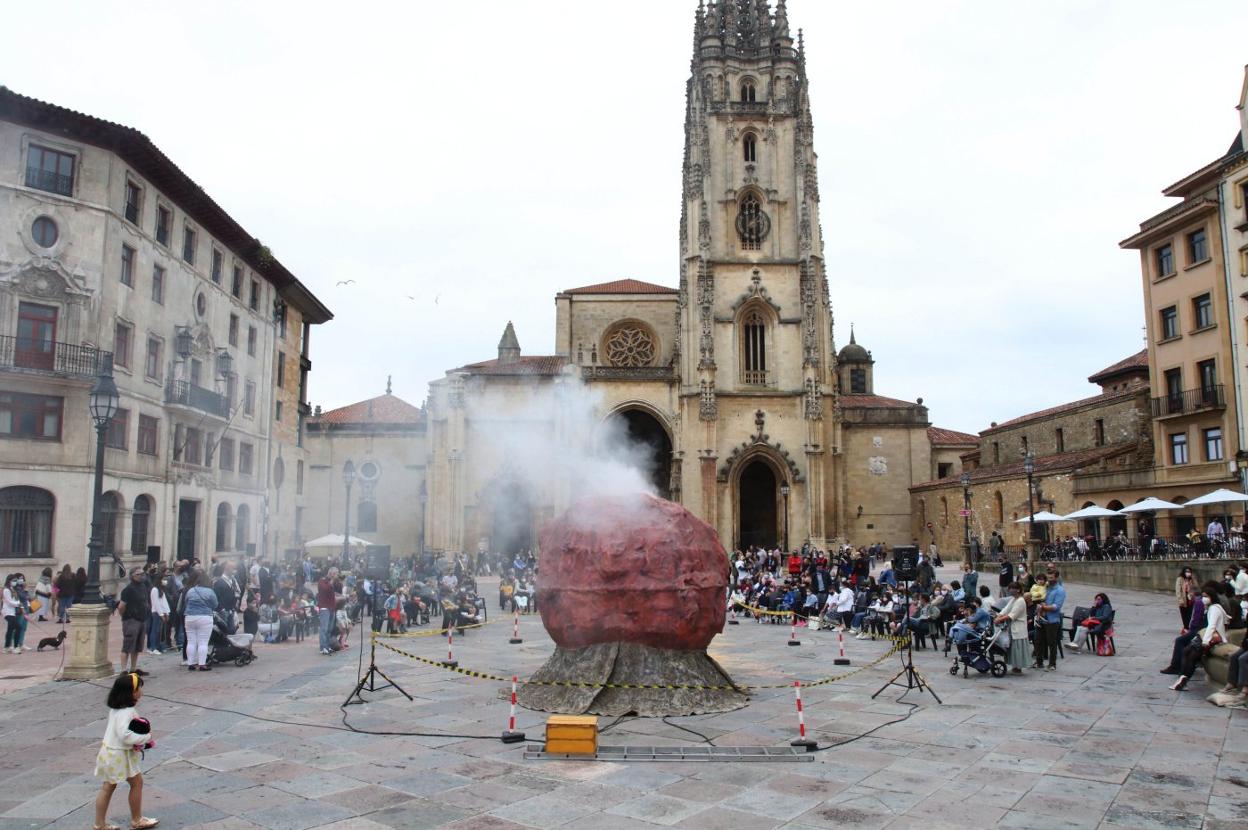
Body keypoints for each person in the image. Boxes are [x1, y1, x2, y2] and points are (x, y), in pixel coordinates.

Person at [93, 672, 158, 830]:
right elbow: (125, 736)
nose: (141, 691)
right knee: (135, 783)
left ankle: (99, 823)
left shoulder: (116, 709)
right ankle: (136, 819)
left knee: (108, 786)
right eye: (138, 688)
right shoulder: (126, 712)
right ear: (131, 693)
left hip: (110, 752)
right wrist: (146, 738)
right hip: (119, 754)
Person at [1170, 586, 1228, 691]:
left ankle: (1183, 680)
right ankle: (1182, 678)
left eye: (1206, 596)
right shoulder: (1211, 608)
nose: (1204, 599)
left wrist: (1205, 641)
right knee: (1187, 651)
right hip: (1207, 636)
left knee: (1192, 655)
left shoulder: (1214, 609)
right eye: (1203, 596)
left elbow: (1212, 626)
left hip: (1211, 638)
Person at [182, 570, 218, 671]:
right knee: (203, 642)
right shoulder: (210, 591)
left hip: (189, 617)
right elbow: (215, 604)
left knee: (191, 641)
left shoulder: (191, 591)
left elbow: (186, 602)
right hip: (205, 617)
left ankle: (191, 663)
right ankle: (202, 664)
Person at [117, 570, 151, 676]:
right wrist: (125, 616)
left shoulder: (143, 587)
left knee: (137, 646)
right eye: (138, 574)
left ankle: (133, 668)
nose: (141, 576)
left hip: (141, 619)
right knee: (127, 645)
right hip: (131, 620)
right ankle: (123, 670)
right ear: (132, 576)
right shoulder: (128, 590)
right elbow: (121, 606)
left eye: (142, 574)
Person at [1032, 568, 1065, 671]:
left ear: (1057, 577)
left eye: (1051, 578)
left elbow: (1056, 606)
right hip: (1041, 618)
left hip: (1052, 620)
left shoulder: (1060, 590)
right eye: (1048, 577)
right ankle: (1039, 662)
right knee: (1038, 641)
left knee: (1051, 643)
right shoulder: (1045, 587)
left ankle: (1052, 664)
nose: (1049, 580)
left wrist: (1044, 607)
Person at [994, 582, 1031, 674]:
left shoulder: (1021, 601)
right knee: (1013, 648)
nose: (1010, 590)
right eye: (1009, 588)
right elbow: (1006, 609)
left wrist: (999, 619)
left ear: (1018, 590)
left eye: (1012, 588)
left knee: (1017, 648)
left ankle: (1018, 667)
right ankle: (1015, 666)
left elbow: (1012, 615)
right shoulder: (1013, 599)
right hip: (1012, 627)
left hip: (1018, 628)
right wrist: (998, 616)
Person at [316, 567, 339, 656]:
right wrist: (331, 581)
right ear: (331, 573)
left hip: (331, 608)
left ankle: (327, 646)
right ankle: (323, 648)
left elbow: (337, 589)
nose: (337, 575)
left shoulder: (333, 582)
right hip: (324, 608)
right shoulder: (322, 581)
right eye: (336, 573)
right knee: (324, 629)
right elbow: (325, 589)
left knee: (329, 629)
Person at [147, 578, 169, 656]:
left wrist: (167, 612)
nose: (165, 581)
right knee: (155, 630)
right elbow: (156, 603)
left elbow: (164, 602)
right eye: (163, 579)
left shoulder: (161, 590)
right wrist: (161, 614)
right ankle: (153, 647)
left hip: (162, 612)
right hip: (156, 613)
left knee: (159, 631)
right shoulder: (154, 590)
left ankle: (158, 646)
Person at [3, 574, 23, 654]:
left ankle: (6, 647)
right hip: (7, 612)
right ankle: (15, 646)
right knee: (18, 627)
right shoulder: (6, 590)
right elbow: (9, 602)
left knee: (10, 629)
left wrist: (18, 603)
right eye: (13, 580)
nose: (15, 582)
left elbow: (15, 599)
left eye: (15, 580)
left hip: (12, 612)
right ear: (9, 581)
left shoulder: (12, 589)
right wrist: (18, 603)